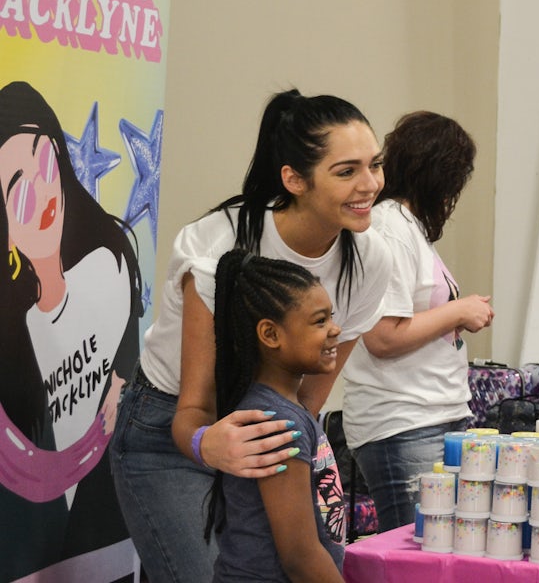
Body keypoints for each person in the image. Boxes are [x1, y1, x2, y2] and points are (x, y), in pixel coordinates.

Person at [109, 90, 392, 583]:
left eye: (375, 165)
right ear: (294, 179)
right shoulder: (219, 244)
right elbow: (193, 411)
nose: (370, 185)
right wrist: (207, 445)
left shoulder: (370, 262)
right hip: (171, 431)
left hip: (266, 429)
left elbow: (305, 400)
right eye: (347, 171)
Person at [0, 81, 142, 579]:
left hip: (109, 538)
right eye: (17, 182)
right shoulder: (15, 331)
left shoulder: (111, 263)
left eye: (44, 160)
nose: (41, 191)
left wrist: (122, 379)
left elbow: (127, 378)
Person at [342, 111, 494, 530]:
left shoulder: (408, 229)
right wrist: (458, 311)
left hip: (430, 414)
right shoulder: (389, 229)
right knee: (414, 558)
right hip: (403, 421)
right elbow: (382, 336)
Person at [206, 250, 345, 582]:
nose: (335, 330)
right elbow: (300, 556)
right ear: (270, 335)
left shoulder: (284, 412)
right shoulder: (276, 423)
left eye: (331, 317)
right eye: (320, 321)